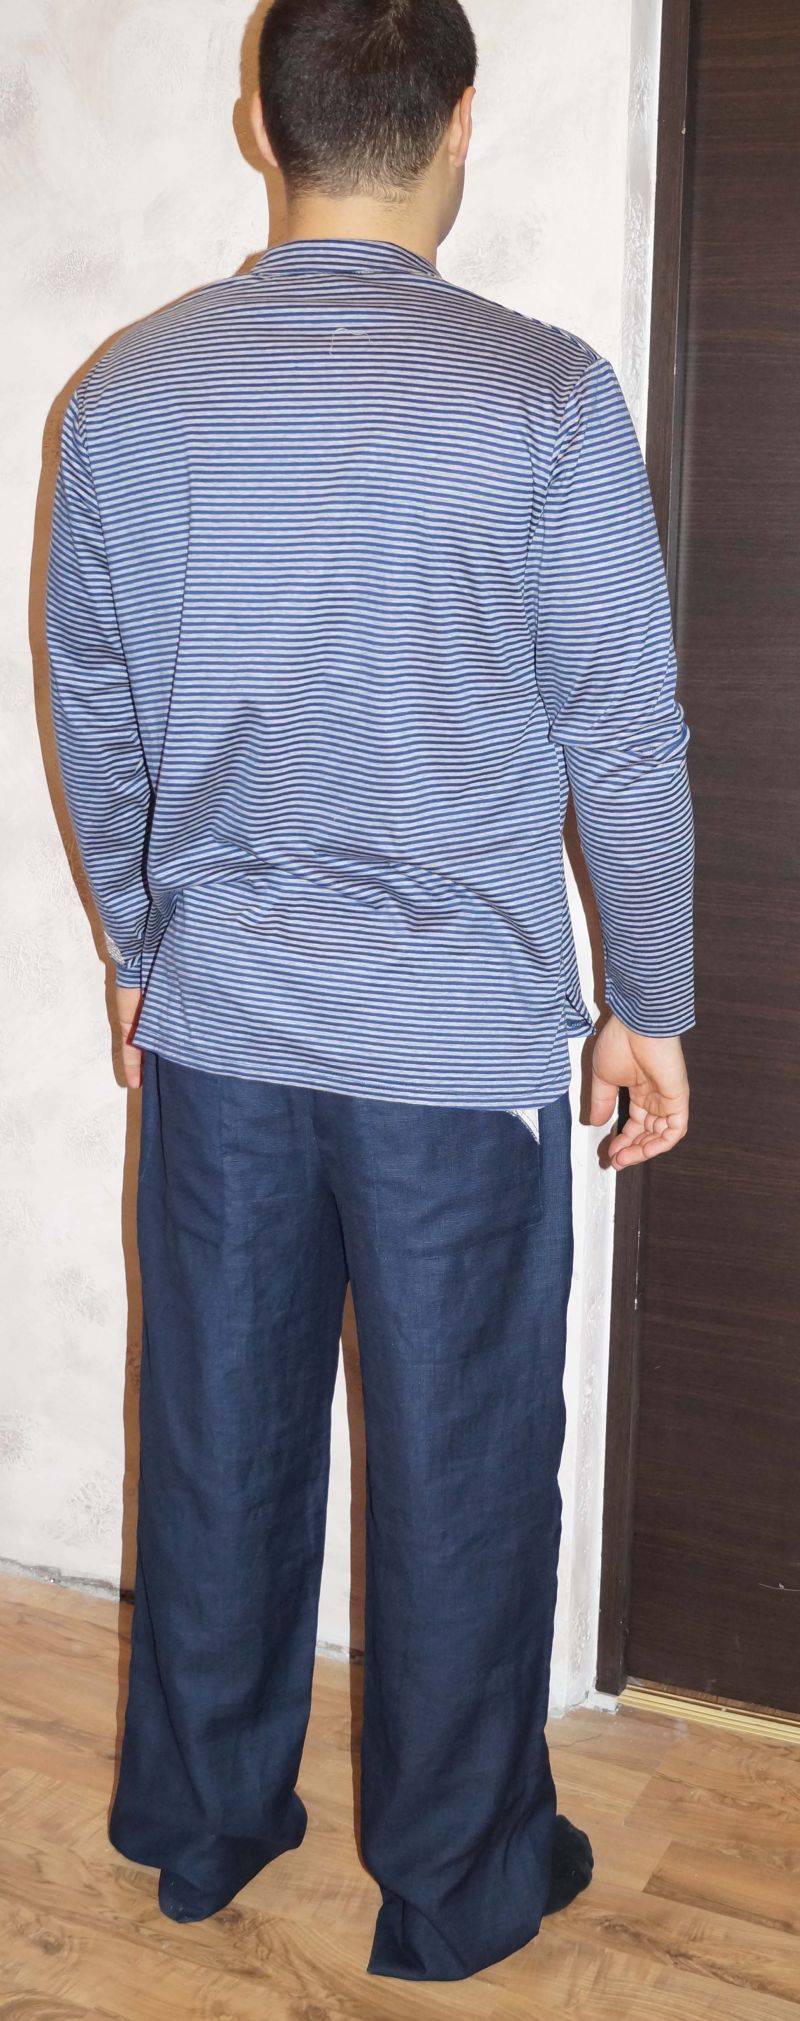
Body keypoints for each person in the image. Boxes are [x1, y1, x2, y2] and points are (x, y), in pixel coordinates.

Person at [44, 0, 694, 1985]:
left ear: (262, 120)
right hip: (450, 1060)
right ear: (461, 120)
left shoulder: (127, 395)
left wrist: (142, 953)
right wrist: (649, 997)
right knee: (459, 1470)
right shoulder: (544, 397)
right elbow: (624, 730)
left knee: (215, 1446)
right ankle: (454, 1882)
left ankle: (202, 1828)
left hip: (224, 1034)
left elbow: (94, 712)